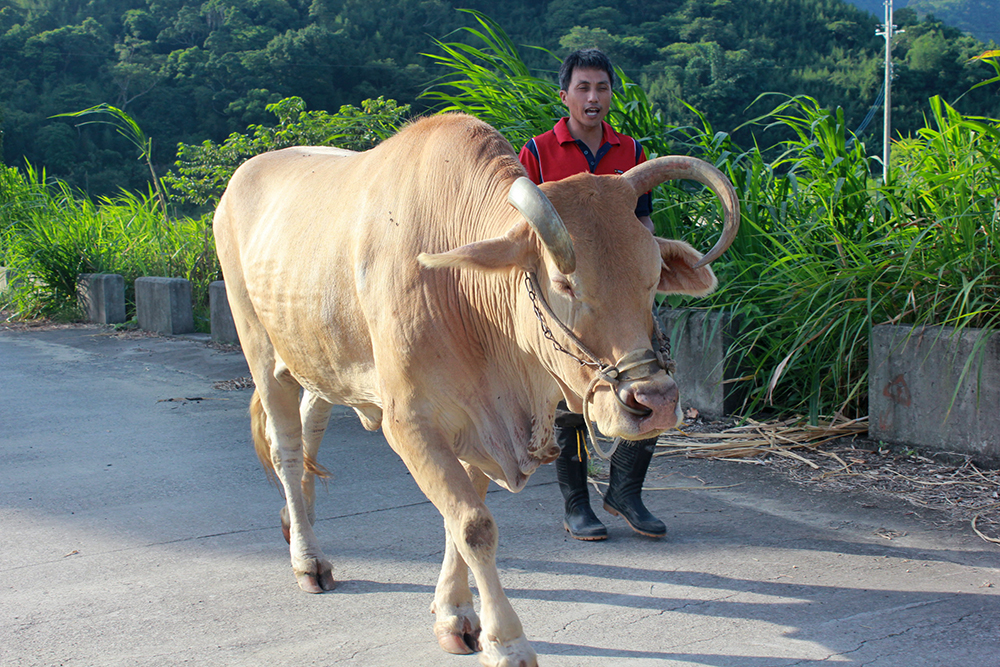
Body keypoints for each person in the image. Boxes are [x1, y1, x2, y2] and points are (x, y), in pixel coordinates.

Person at [518, 48, 666, 541]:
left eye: (601, 87)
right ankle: (577, 504)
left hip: (624, 298)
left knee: (653, 379)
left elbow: (642, 222)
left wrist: (649, 275)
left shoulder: (632, 152)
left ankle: (625, 489)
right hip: (571, 299)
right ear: (565, 96)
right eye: (583, 87)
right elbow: (524, 230)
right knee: (572, 402)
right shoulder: (537, 152)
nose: (593, 97)